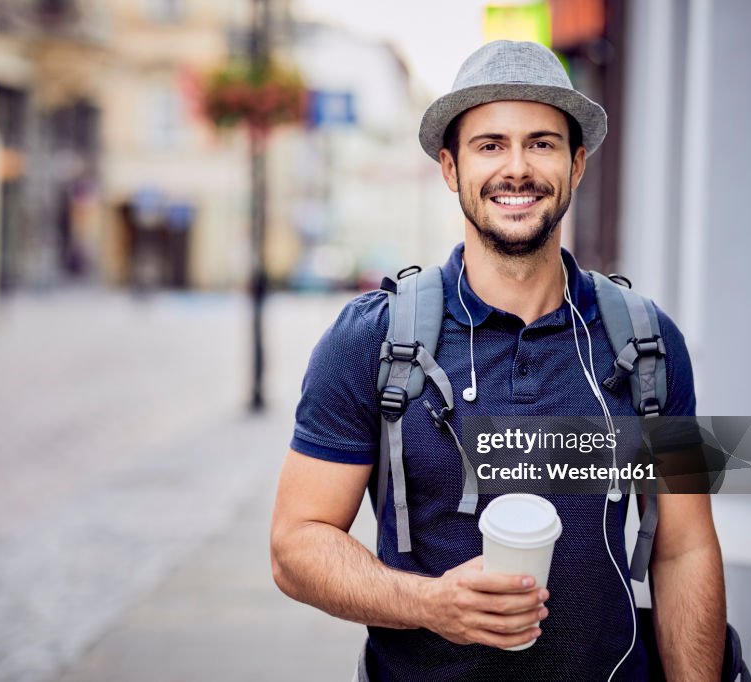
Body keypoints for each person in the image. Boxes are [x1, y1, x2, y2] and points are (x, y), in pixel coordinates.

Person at [271, 40, 725, 681]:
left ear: (577, 165)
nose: (517, 168)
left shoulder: (649, 345)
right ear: (451, 170)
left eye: (542, 143)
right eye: (490, 145)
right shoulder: (371, 340)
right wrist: (430, 604)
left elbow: (683, 548)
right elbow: (297, 544)